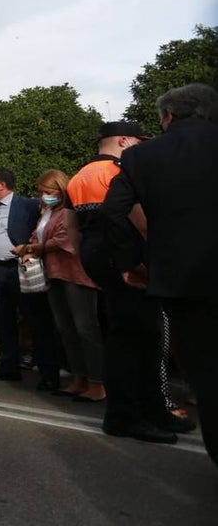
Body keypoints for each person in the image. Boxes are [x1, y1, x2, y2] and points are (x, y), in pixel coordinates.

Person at [101, 84, 218, 463]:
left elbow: (112, 213)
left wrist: (131, 263)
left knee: (207, 375)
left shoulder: (141, 158)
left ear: (169, 117)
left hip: (183, 283)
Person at [69, 120, 180, 443]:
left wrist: (89, 262)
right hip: (127, 257)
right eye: (138, 140)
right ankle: (132, 415)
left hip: (97, 256)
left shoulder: (79, 176)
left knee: (124, 333)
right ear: (123, 141)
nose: (142, 146)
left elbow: (72, 226)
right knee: (143, 337)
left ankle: (147, 412)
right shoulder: (120, 171)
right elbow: (140, 220)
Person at [17, 170, 104, 401]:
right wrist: (31, 246)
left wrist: (31, 248)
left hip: (75, 274)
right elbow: (38, 236)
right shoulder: (48, 212)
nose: (44, 196)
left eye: (49, 191)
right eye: (42, 192)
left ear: (61, 188)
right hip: (53, 274)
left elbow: (65, 240)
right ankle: (79, 377)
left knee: (85, 328)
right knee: (66, 329)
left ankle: (97, 381)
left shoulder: (70, 210)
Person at [0, 169, 59, 388]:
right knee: (1, 320)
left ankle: (48, 373)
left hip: (20, 268)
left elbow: (40, 232)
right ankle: (8, 367)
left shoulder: (28, 205)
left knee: (34, 320)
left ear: (1, 184)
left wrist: (31, 252)